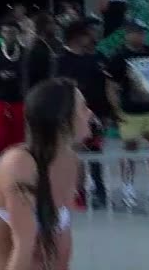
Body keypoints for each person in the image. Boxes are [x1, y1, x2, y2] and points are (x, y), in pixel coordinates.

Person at [0, 78, 89, 270]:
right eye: (83, 108)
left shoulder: (72, 163)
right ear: (63, 121)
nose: (90, 114)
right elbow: (22, 248)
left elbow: (62, 247)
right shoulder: (18, 165)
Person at [106, 21, 149, 207]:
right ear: (128, 34)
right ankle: (128, 188)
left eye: (143, 33)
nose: (141, 36)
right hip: (130, 111)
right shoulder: (119, 56)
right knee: (130, 148)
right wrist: (116, 109)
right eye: (137, 32)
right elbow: (111, 86)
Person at [55, 19, 112, 208]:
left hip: (95, 115)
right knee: (74, 154)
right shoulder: (61, 60)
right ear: (78, 37)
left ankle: (99, 189)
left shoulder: (96, 58)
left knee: (95, 152)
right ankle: (77, 193)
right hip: (71, 116)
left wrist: (105, 114)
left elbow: (103, 88)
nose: (93, 37)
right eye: (89, 33)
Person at [0, 22, 28, 153]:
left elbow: (32, 74)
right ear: (2, 33)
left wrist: (19, 76)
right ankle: (4, 163)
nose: (9, 36)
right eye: (6, 32)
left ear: (18, 34)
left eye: (12, 32)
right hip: (0, 100)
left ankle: (19, 165)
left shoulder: (25, 54)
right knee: (1, 138)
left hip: (20, 101)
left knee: (20, 139)